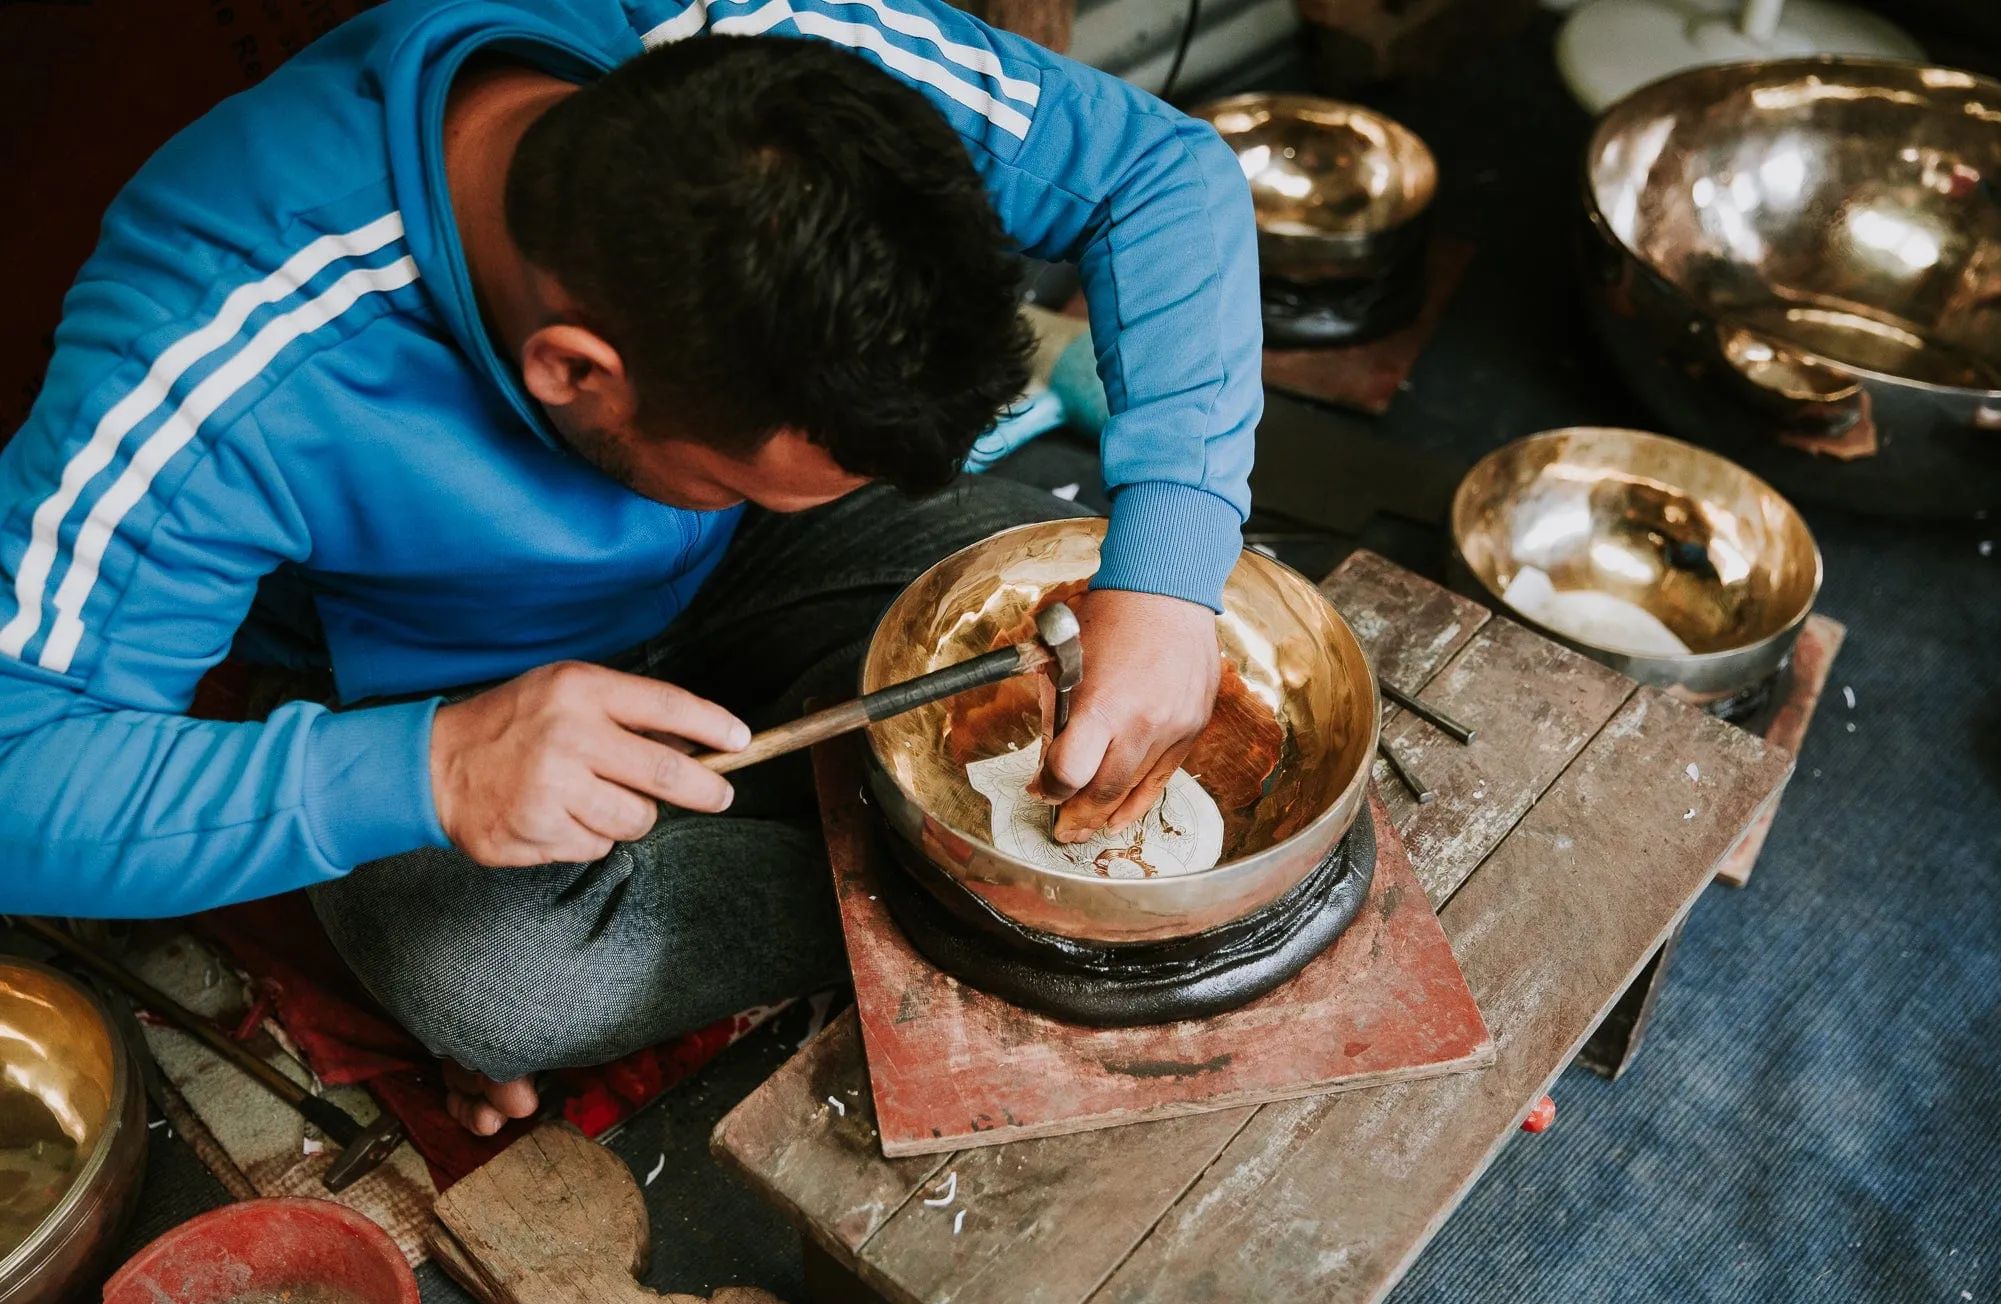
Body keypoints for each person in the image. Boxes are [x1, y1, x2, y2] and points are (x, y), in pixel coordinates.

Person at [0, 0, 1261, 1136]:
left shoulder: (761, 57)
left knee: (1061, 610)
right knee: (498, 981)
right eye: (744, 467)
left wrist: (1168, 567)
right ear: (573, 371)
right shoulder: (219, 345)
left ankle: (938, 850)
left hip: (742, 563)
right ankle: (995, 876)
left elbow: (1155, 174)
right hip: (446, 686)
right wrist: (426, 769)